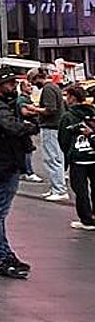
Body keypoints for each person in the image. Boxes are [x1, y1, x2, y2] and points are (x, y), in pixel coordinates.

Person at [0, 66, 39, 279]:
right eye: (11, 83)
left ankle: (4, 253)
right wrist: (31, 126)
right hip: (1, 163)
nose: (14, 86)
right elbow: (11, 126)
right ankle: (1, 258)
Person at [59, 84, 95, 231]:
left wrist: (68, 153)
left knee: (80, 190)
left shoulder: (68, 116)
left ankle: (86, 219)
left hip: (78, 158)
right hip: (93, 156)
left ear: (72, 97)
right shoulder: (93, 113)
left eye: (67, 96)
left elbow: (63, 139)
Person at [29, 68, 68, 201]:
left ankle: (59, 189)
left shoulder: (48, 89)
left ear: (37, 78)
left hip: (50, 127)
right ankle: (56, 187)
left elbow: (50, 110)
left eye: (33, 81)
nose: (34, 85)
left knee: (52, 158)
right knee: (57, 157)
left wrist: (35, 109)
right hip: (56, 127)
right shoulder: (54, 87)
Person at [15, 79, 42, 181]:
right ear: (23, 88)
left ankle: (23, 171)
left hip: (25, 128)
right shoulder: (22, 99)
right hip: (24, 128)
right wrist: (37, 111)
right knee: (27, 150)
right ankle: (28, 172)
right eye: (28, 86)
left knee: (25, 150)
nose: (31, 87)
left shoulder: (27, 99)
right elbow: (24, 112)